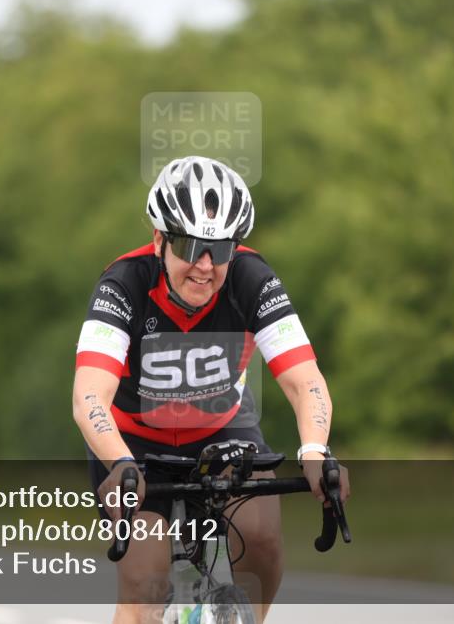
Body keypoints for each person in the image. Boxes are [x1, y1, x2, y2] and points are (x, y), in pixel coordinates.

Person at [72, 156, 348, 624]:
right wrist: (119, 464)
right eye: (190, 246)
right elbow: (88, 396)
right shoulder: (123, 284)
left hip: (223, 432)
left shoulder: (251, 279)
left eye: (219, 250)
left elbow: (306, 382)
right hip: (133, 444)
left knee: (260, 539)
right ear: (159, 239)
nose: (205, 266)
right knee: (144, 585)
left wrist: (316, 449)